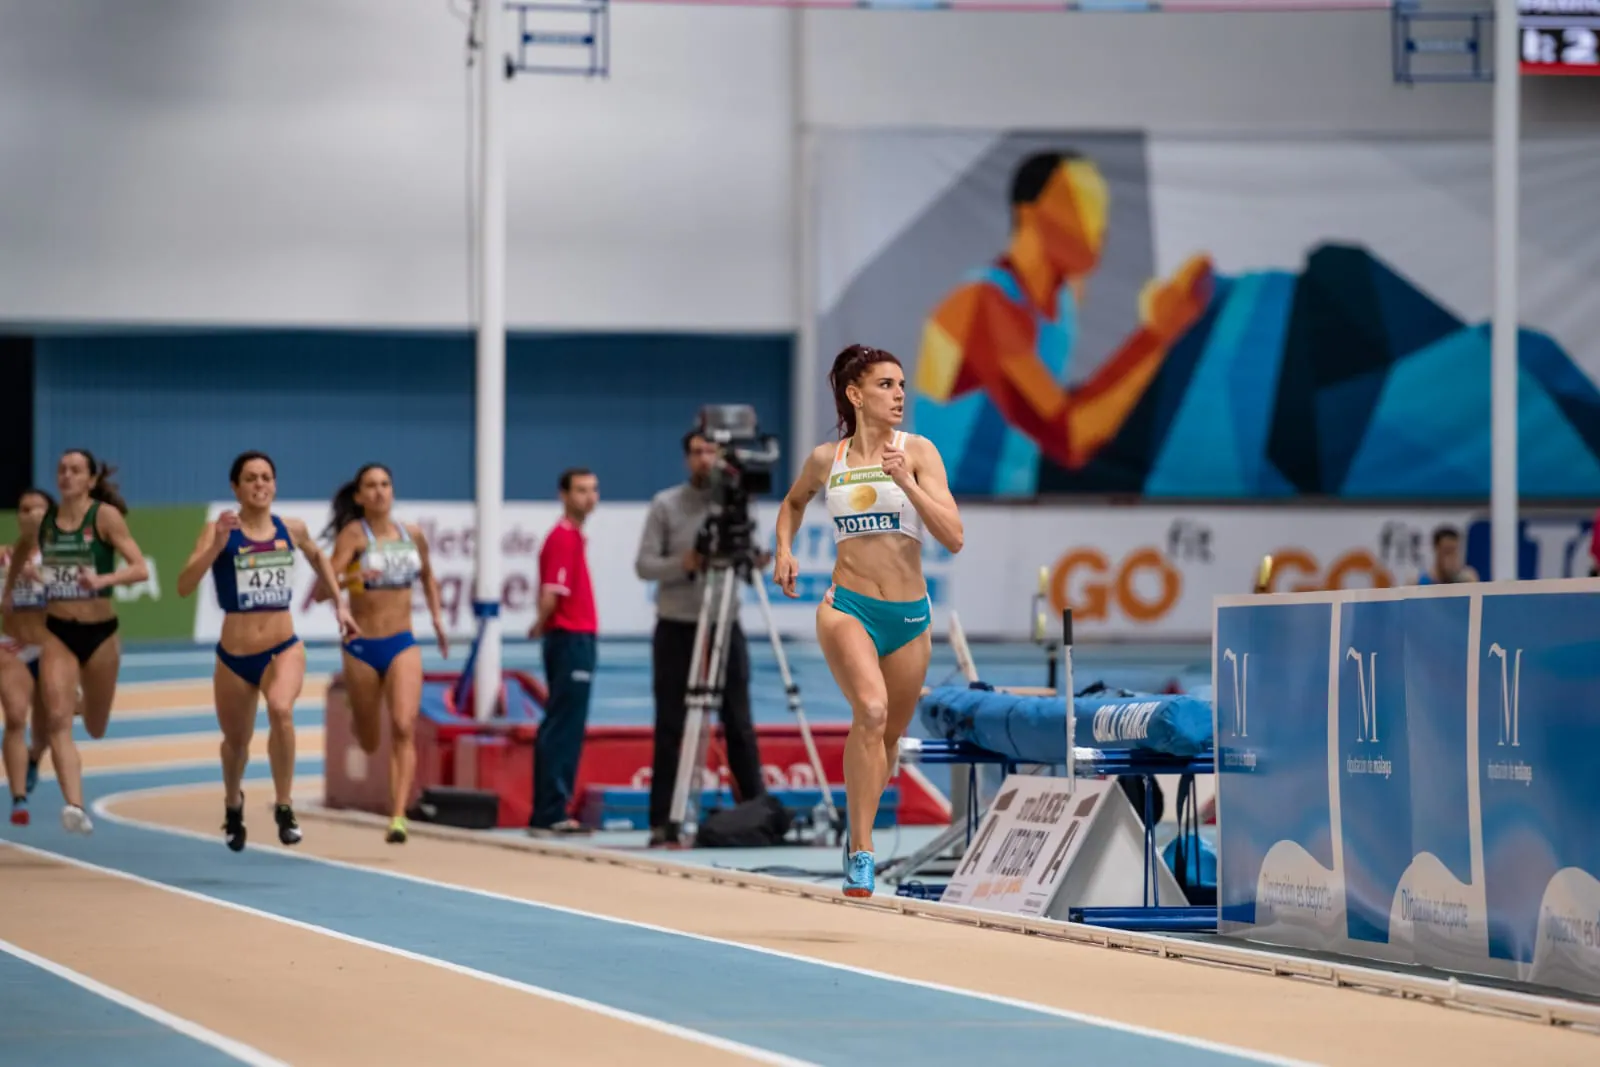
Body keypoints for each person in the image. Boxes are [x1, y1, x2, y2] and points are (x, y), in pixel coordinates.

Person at [773, 344, 965, 897]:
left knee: (889, 738)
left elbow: (953, 537)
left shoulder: (919, 453)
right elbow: (792, 503)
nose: (900, 393)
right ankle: (861, 849)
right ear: (856, 395)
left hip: (909, 615)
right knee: (872, 710)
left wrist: (907, 483)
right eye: (885, 384)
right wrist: (783, 549)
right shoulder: (824, 460)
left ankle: (857, 827)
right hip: (847, 607)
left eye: (902, 384)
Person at [914, 150, 1214, 496]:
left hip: (1005, 518)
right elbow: (1070, 437)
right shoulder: (982, 303)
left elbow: (1070, 418)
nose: (1098, 223)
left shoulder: (1061, 304)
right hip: (944, 524)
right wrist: (1156, 334)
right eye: (1080, 202)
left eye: (1100, 206)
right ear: (1028, 213)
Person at [177, 452, 355, 852]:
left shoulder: (290, 528)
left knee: (281, 710)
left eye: (266, 477)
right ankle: (233, 802)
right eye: (250, 478)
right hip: (234, 658)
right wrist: (216, 547)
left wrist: (339, 604)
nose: (259, 484)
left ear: (274, 485)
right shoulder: (216, 530)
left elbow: (318, 555)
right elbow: (184, 585)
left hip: (283, 647)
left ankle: (284, 806)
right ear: (235, 488)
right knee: (236, 742)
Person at [2, 450, 149, 835]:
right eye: (61, 470)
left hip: (100, 634)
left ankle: (70, 726)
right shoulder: (45, 522)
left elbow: (139, 568)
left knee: (96, 726)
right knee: (57, 720)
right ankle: (75, 805)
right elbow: (19, 551)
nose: (66, 475)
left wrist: (101, 581)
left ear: (90, 479)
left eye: (75, 470)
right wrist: (10, 591)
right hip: (58, 632)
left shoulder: (103, 517)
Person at [634, 430, 768, 846]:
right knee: (671, 723)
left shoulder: (737, 504)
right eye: (696, 452)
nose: (703, 460)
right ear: (686, 458)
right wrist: (685, 562)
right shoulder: (665, 504)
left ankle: (756, 813)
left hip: (725, 621)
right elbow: (644, 565)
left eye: (710, 451)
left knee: (739, 722)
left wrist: (759, 559)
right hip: (678, 623)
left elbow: (751, 554)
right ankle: (663, 819)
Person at [314, 463, 447, 845]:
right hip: (361, 646)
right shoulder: (354, 535)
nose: (378, 492)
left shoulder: (414, 535)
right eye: (370, 486)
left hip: (402, 642)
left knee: (405, 726)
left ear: (392, 490)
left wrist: (437, 619)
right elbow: (324, 589)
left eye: (385, 484)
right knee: (371, 739)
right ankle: (360, 716)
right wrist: (355, 578)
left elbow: (429, 577)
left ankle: (398, 816)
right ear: (358, 496)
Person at [526, 467, 600, 835]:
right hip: (570, 637)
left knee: (566, 724)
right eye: (582, 490)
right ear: (564, 494)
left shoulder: (574, 538)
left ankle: (552, 808)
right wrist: (540, 624)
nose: (590, 497)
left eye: (594, 490)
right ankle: (550, 810)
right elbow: (552, 594)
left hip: (576, 636)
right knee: (563, 725)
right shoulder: (562, 538)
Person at [1, 488, 53, 825]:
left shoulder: (63, 557)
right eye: (24, 509)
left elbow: (86, 601)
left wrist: (44, 580)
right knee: (17, 717)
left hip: (52, 647)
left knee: (48, 726)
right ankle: (18, 798)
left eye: (38, 509)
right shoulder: (3, 557)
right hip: (11, 646)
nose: (31, 514)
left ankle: (34, 758)